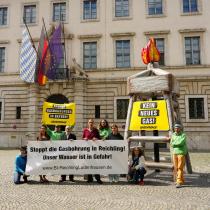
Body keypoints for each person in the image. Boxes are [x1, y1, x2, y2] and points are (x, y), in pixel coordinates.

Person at [82, 119, 103, 184]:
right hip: (87, 150)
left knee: (96, 164)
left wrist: (96, 139)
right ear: (88, 123)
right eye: (89, 122)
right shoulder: (85, 130)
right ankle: (90, 178)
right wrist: (84, 139)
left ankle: (98, 179)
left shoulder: (96, 130)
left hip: (94, 150)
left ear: (93, 123)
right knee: (88, 164)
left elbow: (99, 138)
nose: (91, 123)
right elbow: (82, 138)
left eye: (92, 122)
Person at [168, 123, 188, 188]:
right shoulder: (173, 135)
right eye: (175, 128)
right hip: (175, 152)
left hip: (181, 152)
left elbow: (181, 143)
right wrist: (175, 143)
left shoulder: (183, 135)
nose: (176, 129)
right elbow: (171, 143)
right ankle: (181, 179)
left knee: (180, 167)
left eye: (177, 128)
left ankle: (178, 181)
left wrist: (175, 143)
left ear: (180, 128)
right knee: (176, 167)